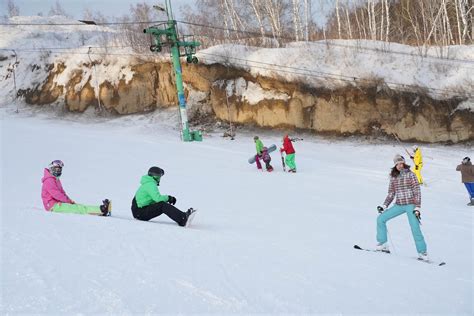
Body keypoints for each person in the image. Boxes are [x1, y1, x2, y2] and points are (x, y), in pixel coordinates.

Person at [376, 154, 428, 260]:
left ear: (404, 163)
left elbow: (417, 191)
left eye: (401, 163)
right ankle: (383, 245)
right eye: (397, 164)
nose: (400, 165)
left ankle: (422, 253)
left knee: (415, 228)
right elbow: (391, 193)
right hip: (399, 205)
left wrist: (417, 207)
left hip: (410, 205)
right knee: (380, 219)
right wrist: (384, 205)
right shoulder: (393, 177)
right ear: (395, 165)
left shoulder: (411, 175)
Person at [41, 160, 111, 216]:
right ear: (51, 169)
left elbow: (62, 192)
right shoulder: (49, 180)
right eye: (56, 169)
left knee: (77, 206)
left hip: (57, 204)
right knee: (78, 209)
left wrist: (69, 200)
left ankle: (100, 209)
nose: (58, 171)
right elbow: (56, 194)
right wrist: (68, 201)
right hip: (53, 206)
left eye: (59, 169)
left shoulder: (56, 179)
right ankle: (101, 210)